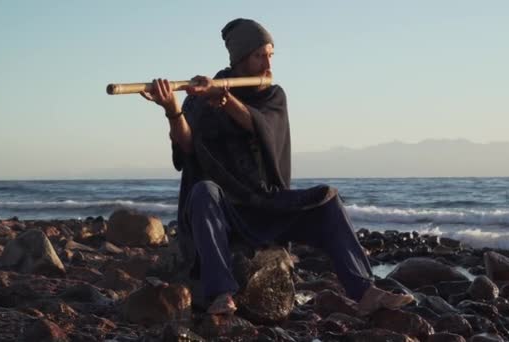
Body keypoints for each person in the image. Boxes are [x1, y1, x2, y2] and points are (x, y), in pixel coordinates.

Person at [140, 18, 414, 315]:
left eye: (271, 54)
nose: (268, 62)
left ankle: (364, 291)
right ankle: (221, 293)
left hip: (266, 204)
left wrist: (226, 99)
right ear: (241, 58)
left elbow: (261, 127)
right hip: (223, 211)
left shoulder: (272, 95)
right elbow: (187, 146)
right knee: (203, 191)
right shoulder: (202, 96)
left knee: (327, 199)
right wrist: (172, 109)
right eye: (260, 55)